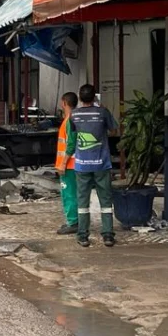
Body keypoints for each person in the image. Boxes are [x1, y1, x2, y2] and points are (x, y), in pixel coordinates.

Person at [66, 84, 118, 248]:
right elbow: (114, 131)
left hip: (82, 166)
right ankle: (108, 235)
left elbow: (73, 138)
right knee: (105, 200)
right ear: (94, 97)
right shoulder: (103, 113)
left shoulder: (74, 115)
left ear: (80, 98)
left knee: (82, 201)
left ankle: (83, 236)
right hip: (101, 164)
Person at [54, 92, 78, 236]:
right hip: (72, 165)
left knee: (69, 194)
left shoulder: (70, 120)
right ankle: (73, 220)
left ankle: (73, 222)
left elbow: (70, 144)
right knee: (73, 193)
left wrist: (63, 163)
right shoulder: (72, 119)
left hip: (69, 166)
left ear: (64, 103)